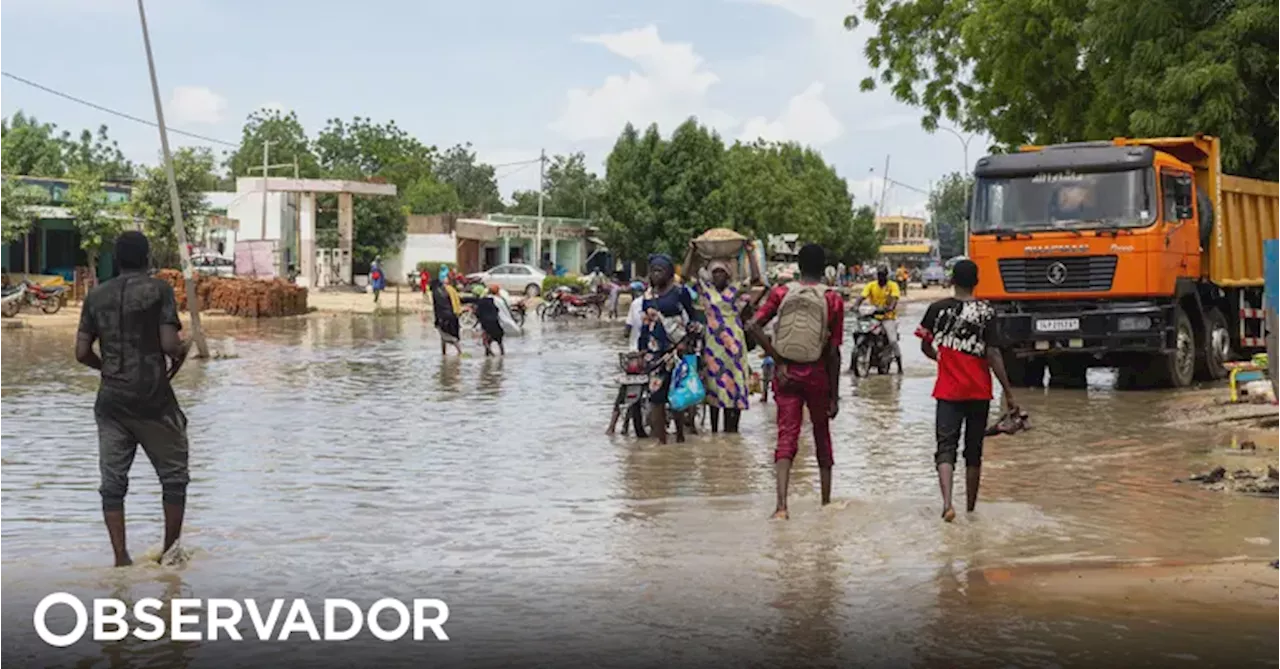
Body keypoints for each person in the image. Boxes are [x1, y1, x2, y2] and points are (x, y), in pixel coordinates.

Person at [75, 231, 192, 567]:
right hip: (154, 400)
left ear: (117, 258)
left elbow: (82, 353)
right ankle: (170, 555)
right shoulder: (159, 290)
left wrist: (107, 368)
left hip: (112, 403)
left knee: (112, 485)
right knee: (173, 478)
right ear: (147, 257)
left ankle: (121, 559)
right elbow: (170, 344)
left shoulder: (96, 297)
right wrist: (182, 352)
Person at [747, 243, 844, 520]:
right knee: (821, 435)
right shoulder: (833, 299)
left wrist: (777, 359)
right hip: (817, 374)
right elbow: (834, 352)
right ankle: (826, 504)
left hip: (786, 373)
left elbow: (753, 325)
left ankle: (781, 506)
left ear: (798, 266)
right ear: (823, 267)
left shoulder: (781, 292)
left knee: (786, 435)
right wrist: (834, 397)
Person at [916, 259, 1017, 522]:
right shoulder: (987, 312)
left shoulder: (936, 310)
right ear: (976, 282)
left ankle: (948, 504)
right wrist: (1008, 392)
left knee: (945, 448)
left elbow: (925, 344)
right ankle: (971, 509)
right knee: (973, 452)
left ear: (952, 281)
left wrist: (939, 358)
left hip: (948, 392)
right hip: (979, 391)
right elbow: (994, 353)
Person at [639, 254, 701, 444]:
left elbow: (692, 317)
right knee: (656, 397)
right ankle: (662, 440)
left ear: (669, 273)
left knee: (677, 394)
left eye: (660, 270)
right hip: (655, 352)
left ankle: (680, 435)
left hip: (677, 349)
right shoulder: (647, 296)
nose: (656, 274)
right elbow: (645, 323)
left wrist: (687, 341)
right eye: (653, 270)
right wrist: (641, 349)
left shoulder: (679, 292)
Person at [693, 258, 751, 433]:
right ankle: (715, 430)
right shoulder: (706, 291)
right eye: (715, 272)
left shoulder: (736, 289)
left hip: (734, 345)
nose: (718, 275)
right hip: (713, 345)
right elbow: (688, 273)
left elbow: (756, 279)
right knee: (714, 384)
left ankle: (732, 430)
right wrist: (693, 252)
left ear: (727, 275)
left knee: (734, 381)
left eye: (722, 272)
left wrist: (749, 253)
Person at [853, 267, 903, 374]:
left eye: (882, 275)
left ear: (886, 276)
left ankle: (900, 367)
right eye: (879, 275)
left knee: (893, 340)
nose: (880, 277)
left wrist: (890, 307)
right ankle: (852, 364)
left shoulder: (893, 286)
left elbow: (894, 299)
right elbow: (862, 296)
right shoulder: (871, 285)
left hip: (888, 317)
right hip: (873, 317)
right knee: (858, 332)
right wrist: (856, 305)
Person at [430, 278, 463, 356]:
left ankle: (460, 352)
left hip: (443, 317)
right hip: (453, 315)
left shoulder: (435, 293)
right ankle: (443, 354)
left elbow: (436, 307)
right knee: (444, 335)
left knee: (448, 336)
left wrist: (437, 320)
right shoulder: (449, 290)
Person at [475, 284, 507, 357]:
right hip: (495, 322)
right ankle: (502, 355)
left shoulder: (481, 302)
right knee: (499, 340)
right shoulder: (497, 300)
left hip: (486, 324)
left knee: (486, 341)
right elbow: (498, 310)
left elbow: (478, 313)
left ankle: (491, 354)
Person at [623, 280, 646, 351]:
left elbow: (629, 324)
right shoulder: (652, 300)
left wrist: (626, 334)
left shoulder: (635, 303)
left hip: (635, 345)